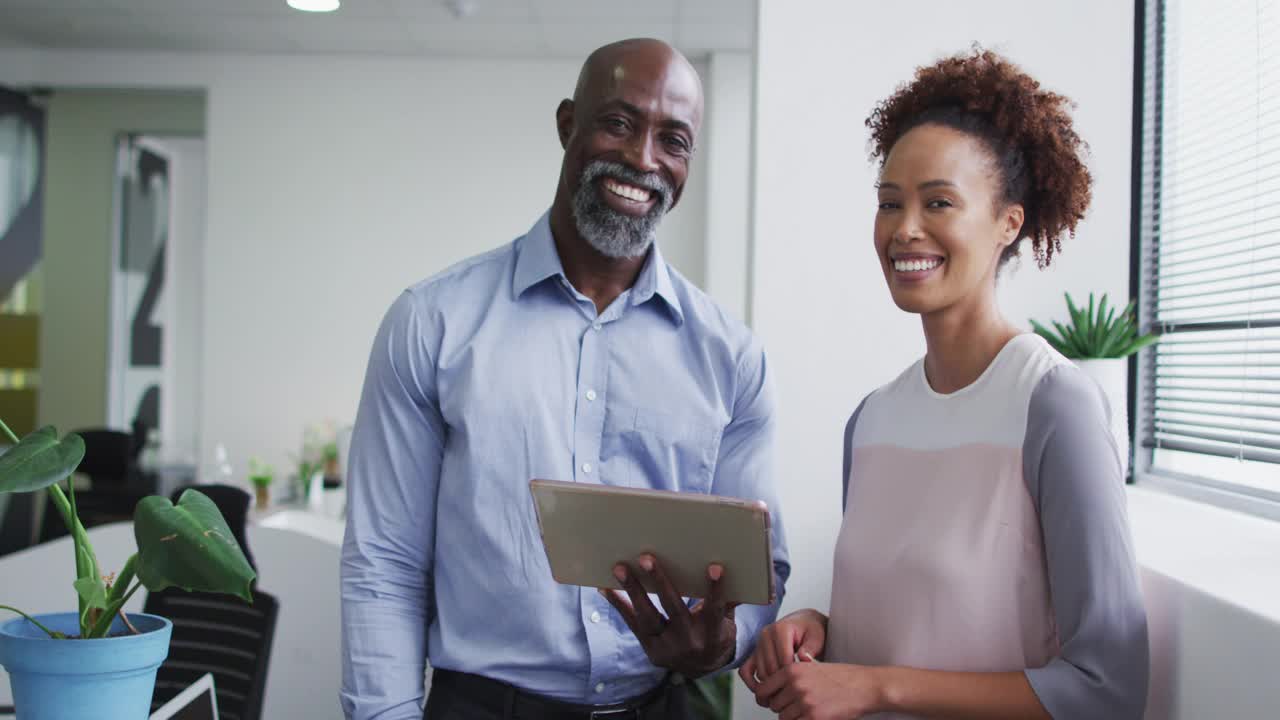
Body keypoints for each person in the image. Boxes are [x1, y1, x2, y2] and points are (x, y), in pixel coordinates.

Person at [340, 37, 790, 720]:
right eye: (618, 122)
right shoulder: (431, 323)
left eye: (673, 139)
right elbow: (384, 563)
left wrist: (725, 641)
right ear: (566, 124)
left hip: (656, 705)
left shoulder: (732, 357)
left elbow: (761, 575)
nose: (644, 159)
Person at [741, 48, 1148, 719]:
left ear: (1008, 224)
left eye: (939, 203)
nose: (905, 229)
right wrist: (822, 632)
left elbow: (1108, 688)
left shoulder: (1054, 407)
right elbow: (928, 622)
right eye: (889, 203)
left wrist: (876, 685)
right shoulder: (872, 420)